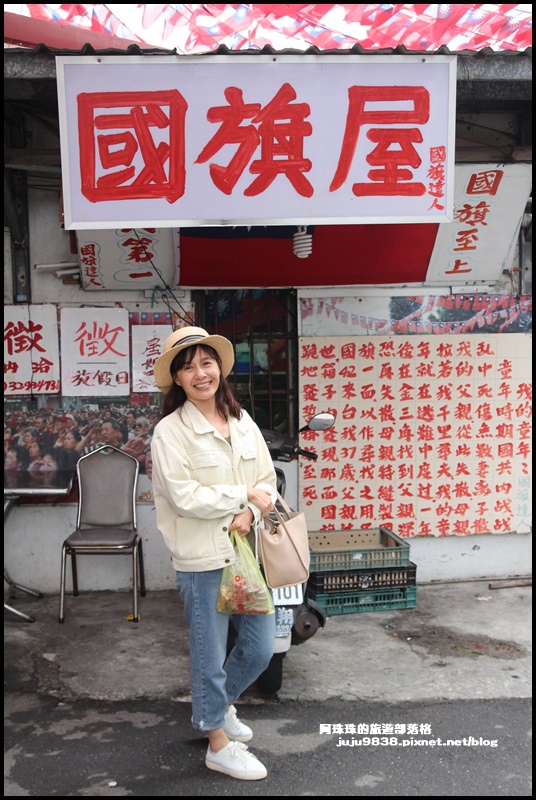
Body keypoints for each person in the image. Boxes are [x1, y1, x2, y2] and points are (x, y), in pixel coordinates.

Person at [150, 326, 277, 782]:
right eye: (188, 367)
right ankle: (218, 745)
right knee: (208, 654)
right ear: (177, 379)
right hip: (201, 559)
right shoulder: (170, 432)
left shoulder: (242, 422)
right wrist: (241, 496)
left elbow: (266, 482)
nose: (200, 373)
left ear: (220, 368)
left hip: (242, 553)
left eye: (207, 363)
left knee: (260, 647)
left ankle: (217, 709)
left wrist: (251, 511)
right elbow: (184, 496)